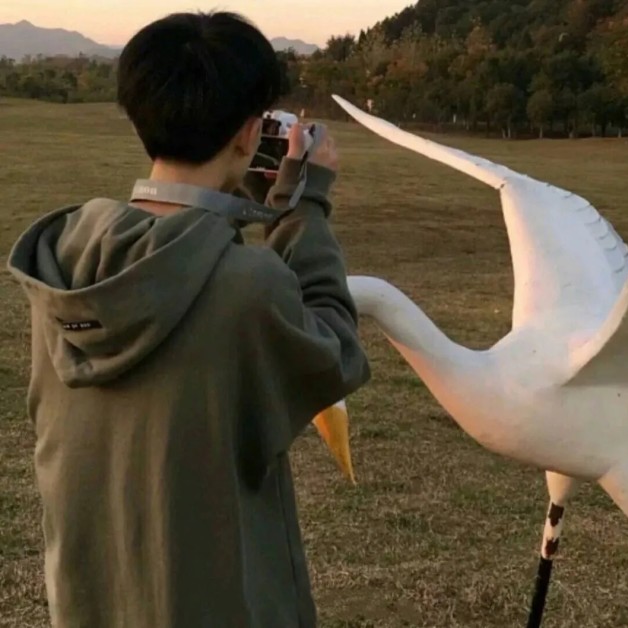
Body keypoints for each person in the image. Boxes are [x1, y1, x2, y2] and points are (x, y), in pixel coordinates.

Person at [7, 11, 370, 628]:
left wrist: (246, 199)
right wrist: (303, 206)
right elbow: (334, 353)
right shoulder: (245, 286)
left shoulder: (66, 258)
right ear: (251, 132)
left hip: (92, 600)